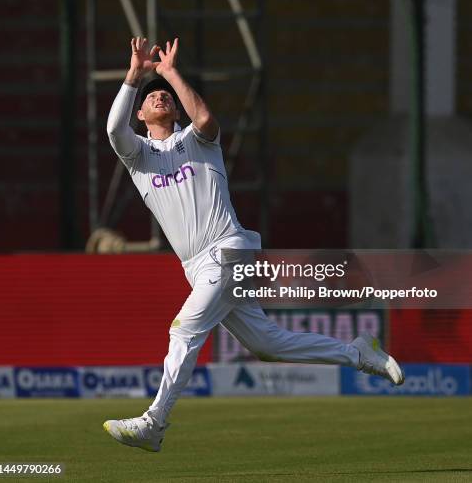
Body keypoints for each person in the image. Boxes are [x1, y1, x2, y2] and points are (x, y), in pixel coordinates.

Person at [103, 36, 405, 452]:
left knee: (185, 330)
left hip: (228, 250)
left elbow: (206, 118)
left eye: (165, 94)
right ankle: (357, 353)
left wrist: (170, 73)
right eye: (152, 95)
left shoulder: (197, 141)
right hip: (198, 266)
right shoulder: (138, 158)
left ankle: (153, 424)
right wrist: (135, 77)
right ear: (141, 112)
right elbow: (113, 130)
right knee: (266, 344)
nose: (160, 96)